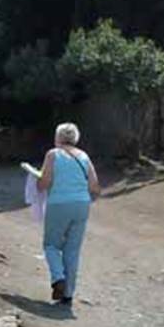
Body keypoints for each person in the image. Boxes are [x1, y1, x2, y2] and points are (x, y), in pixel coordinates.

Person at [36, 122, 100, 306]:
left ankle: (58, 278)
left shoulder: (53, 154)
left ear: (58, 137)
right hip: (81, 204)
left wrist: (37, 180)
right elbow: (94, 187)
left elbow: (44, 183)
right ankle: (68, 294)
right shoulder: (84, 156)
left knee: (51, 245)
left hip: (58, 203)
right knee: (72, 250)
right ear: (75, 138)